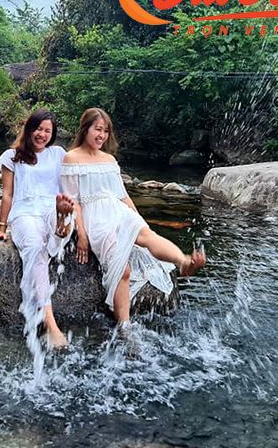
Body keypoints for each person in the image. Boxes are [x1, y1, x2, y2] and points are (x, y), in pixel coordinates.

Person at [60, 107, 206, 326]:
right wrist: (81, 234)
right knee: (124, 269)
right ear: (85, 129)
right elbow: (74, 202)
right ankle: (125, 327)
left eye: (106, 131)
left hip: (118, 210)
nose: (102, 135)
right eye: (97, 129)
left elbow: (123, 196)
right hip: (95, 217)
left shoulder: (109, 160)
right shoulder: (71, 158)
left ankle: (183, 262)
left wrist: (139, 220)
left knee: (147, 235)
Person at [0, 109, 75, 349]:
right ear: (29, 128)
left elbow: (76, 178)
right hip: (25, 213)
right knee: (35, 249)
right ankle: (50, 323)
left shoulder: (58, 154)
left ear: (53, 134)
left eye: (48, 131)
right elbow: (7, 194)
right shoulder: (11, 157)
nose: (42, 134)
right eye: (39, 129)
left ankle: (61, 225)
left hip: (52, 208)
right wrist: (2, 227)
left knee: (62, 213)